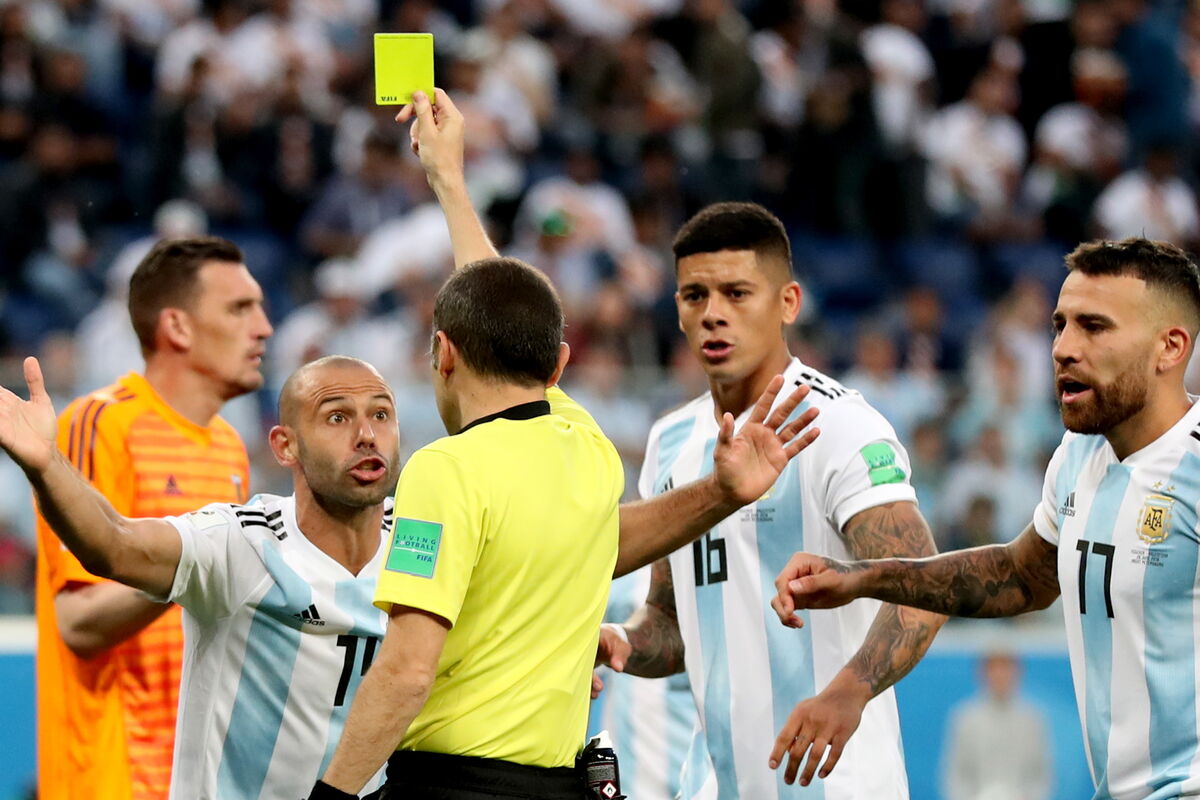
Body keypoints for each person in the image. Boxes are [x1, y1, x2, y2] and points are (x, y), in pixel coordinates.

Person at [308, 89, 821, 800]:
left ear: (444, 353)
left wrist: (332, 796)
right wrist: (448, 180)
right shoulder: (587, 446)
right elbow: (502, 307)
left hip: (453, 789)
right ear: (557, 366)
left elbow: (407, 670)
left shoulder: (442, 471)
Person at [773, 237, 1200, 799]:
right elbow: (1019, 577)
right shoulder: (1079, 457)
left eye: (1094, 327)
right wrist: (862, 578)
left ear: (1170, 347)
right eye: (1060, 325)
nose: (1063, 349)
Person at [597, 200, 950, 799]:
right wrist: (622, 641)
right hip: (714, 785)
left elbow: (926, 589)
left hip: (838, 787)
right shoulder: (670, 442)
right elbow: (672, 622)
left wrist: (848, 693)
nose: (713, 314)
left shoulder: (838, 425)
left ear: (788, 303)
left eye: (737, 294)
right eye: (695, 296)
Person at [35, 236, 272, 800]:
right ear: (178, 327)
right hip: (112, 774)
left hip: (193, 774)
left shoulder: (229, 446)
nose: (264, 328)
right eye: (240, 308)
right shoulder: (100, 423)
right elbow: (79, 623)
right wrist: (196, 565)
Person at [942, 651, 1052, 800]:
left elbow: (1042, 776)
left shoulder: (1032, 719)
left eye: (1005, 667)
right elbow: (955, 776)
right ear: (981, 672)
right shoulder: (965, 719)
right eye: (993, 667)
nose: (999, 674)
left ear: (1017, 671)